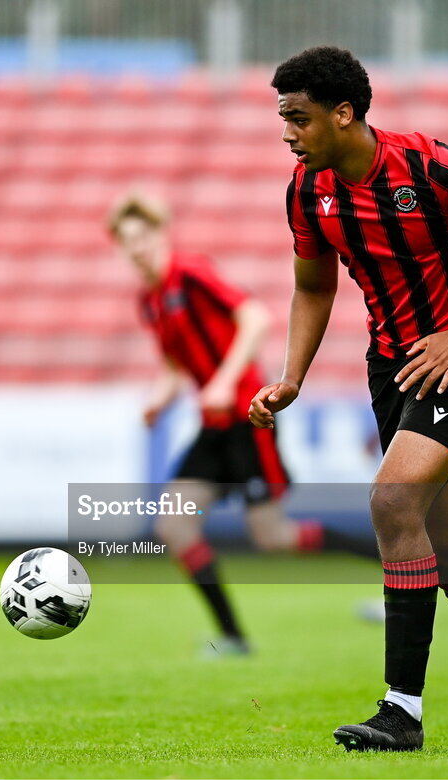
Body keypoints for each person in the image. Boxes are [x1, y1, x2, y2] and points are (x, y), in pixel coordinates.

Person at [249, 46, 448, 751]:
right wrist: (292, 375)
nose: (287, 133)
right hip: (393, 366)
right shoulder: (307, 191)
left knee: (390, 502)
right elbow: (312, 285)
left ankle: (401, 711)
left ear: (344, 113)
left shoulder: (430, 167)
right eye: (281, 119)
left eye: (297, 118)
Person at [108, 192, 379, 657]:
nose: (136, 248)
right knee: (174, 527)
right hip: (213, 428)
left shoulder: (190, 273)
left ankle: (396, 563)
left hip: (250, 418)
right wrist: (160, 398)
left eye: (143, 236)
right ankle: (232, 637)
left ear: (160, 234)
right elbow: (176, 363)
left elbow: (253, 319)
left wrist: (224, 380)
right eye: (126, 240)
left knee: (274, 538)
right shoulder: (150, 301)